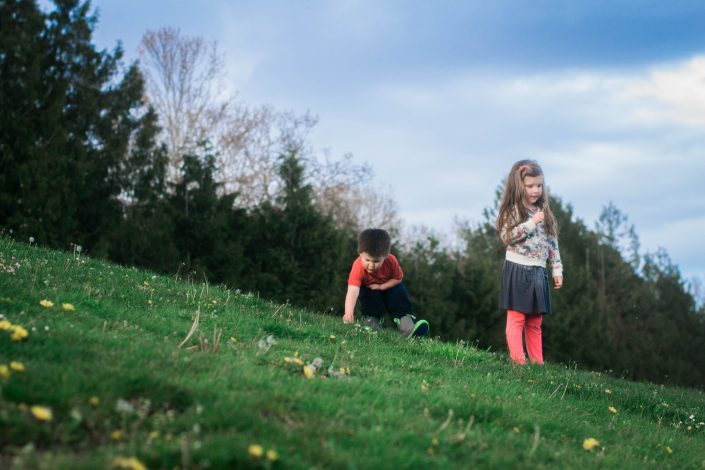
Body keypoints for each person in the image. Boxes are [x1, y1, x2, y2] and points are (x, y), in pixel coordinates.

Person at [496, 160, 563, 365]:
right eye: (530, 186)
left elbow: (552, 242)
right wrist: (531, 224)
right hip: (518, 267)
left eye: (539, 185)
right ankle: (519, 362)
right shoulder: (514, 210)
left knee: (535, 321)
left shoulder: (544, 212)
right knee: (517, 318)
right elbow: (507, 236)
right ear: (519, 185)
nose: (536, 190)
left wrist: (557, 269)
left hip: (539, 270)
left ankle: (537, 364)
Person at [342, 228, 429, 338]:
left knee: (399, 292)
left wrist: (382, 286)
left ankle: (406, 326)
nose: (371, 265)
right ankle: (371, 322)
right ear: (360, 253)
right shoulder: (358, 266)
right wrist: (348, 313)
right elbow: (352, 291)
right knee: (369, 294)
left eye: (376, 261)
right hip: (370, 289)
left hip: (388, 286)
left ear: (386, 256)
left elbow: (398, 278)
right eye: (367, 260)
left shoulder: (391, 261)